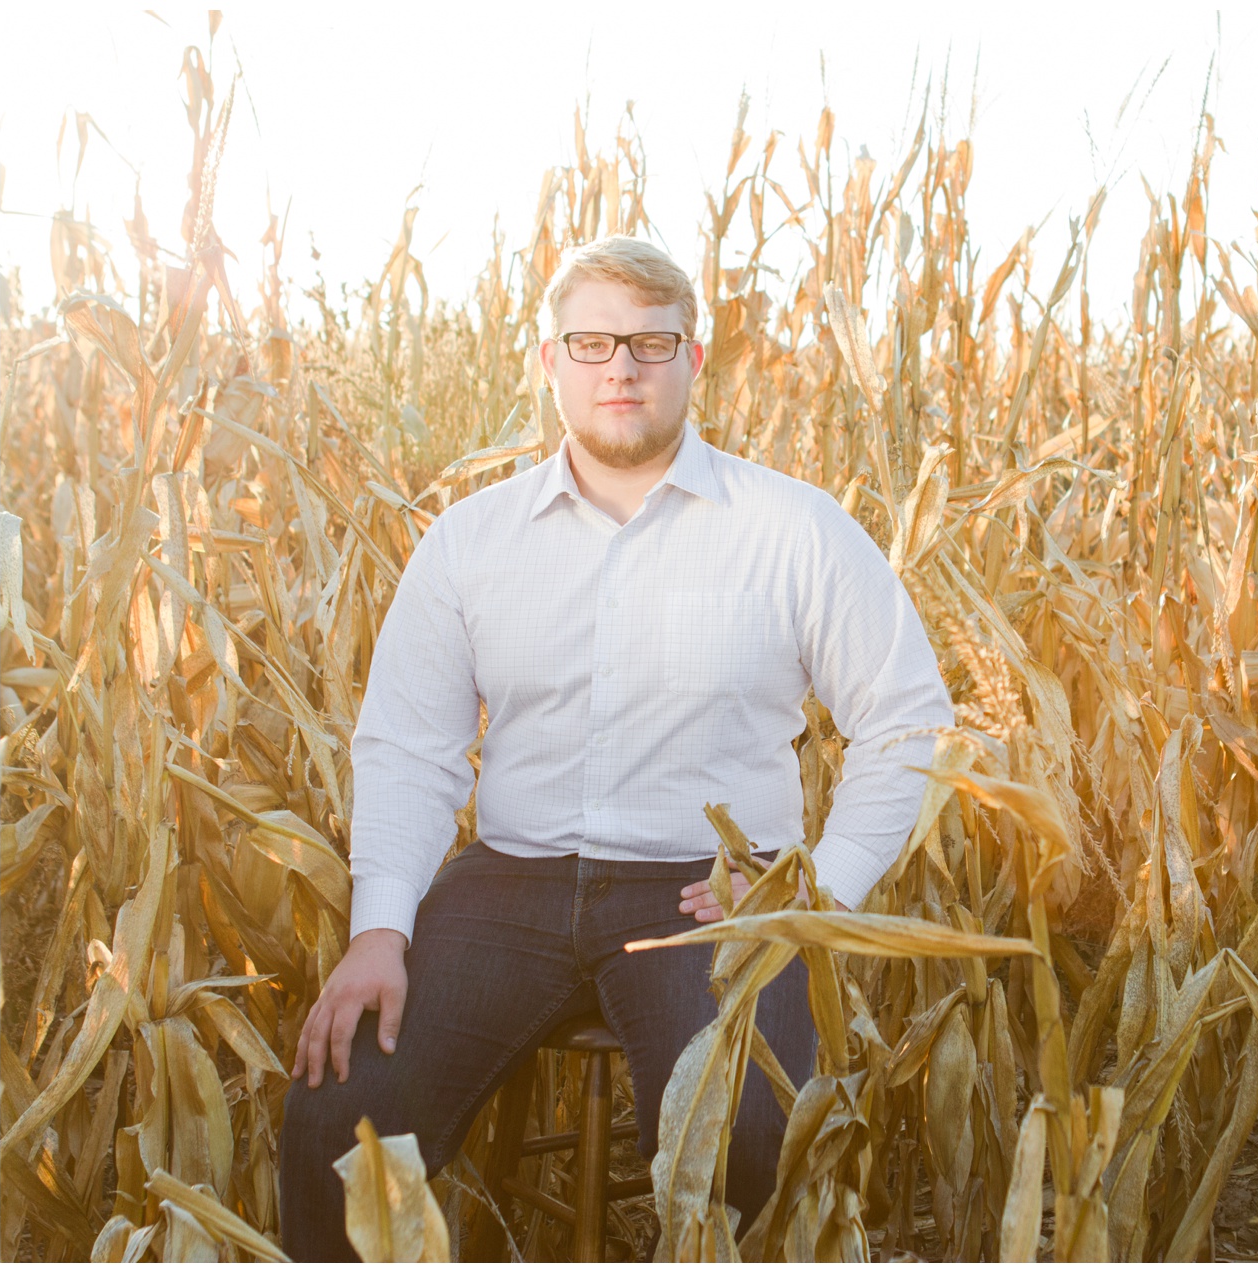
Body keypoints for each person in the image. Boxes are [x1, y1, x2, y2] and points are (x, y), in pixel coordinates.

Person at [278, 236, 954, 1260]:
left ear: (693, 358)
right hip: (510, 885)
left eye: (650, 342)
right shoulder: (470, 540)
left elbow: (906, 722)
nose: (622, 368)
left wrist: (816, 890)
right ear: (548, 362)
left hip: (712, 893)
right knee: (339, 1122)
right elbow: (412, 747)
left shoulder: (794, 532)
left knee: (747, 1141)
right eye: (591, 343)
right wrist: (379, 930)